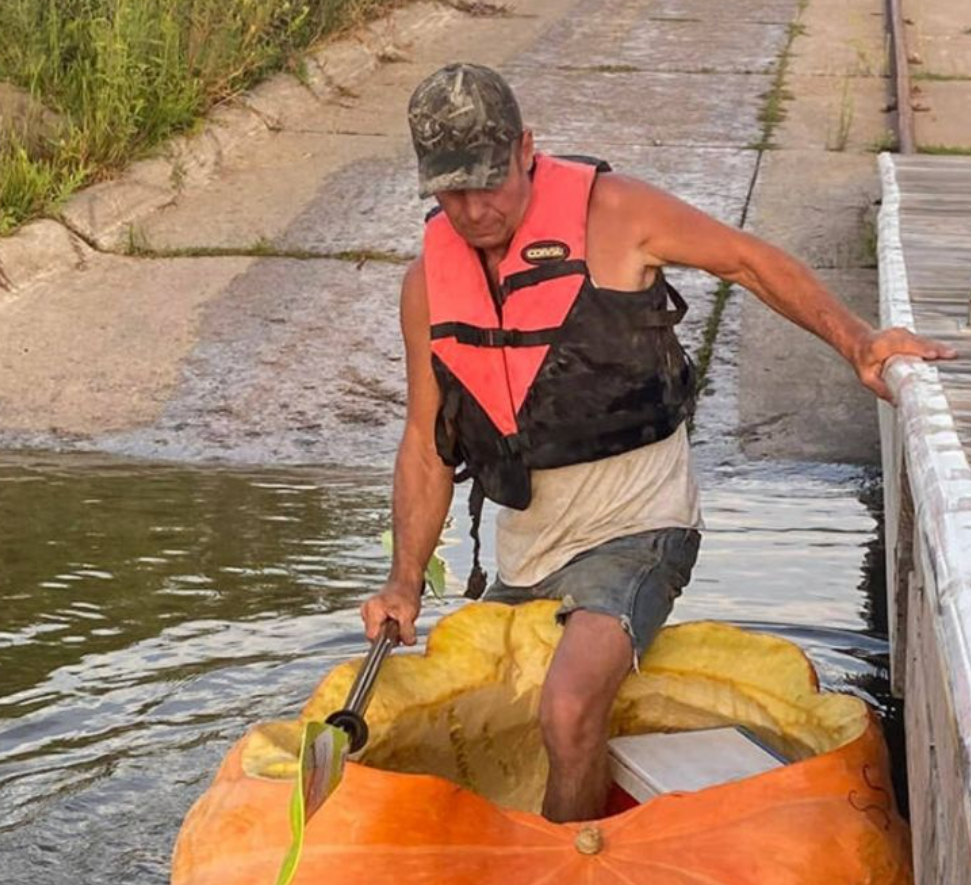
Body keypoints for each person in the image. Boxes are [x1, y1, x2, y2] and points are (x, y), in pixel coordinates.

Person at [358, 62, 955, 823]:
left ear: (526, 150)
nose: (473, 209)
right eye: (451, 190)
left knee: (568, 705)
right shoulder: (427, 283)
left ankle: (563, 870)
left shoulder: (614, 213)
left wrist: (859, 340)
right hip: (527, 548)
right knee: (484, 711)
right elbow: (424, 443)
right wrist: (402, 581)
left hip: (637, 527)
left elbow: (748, 259)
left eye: (489, 182)